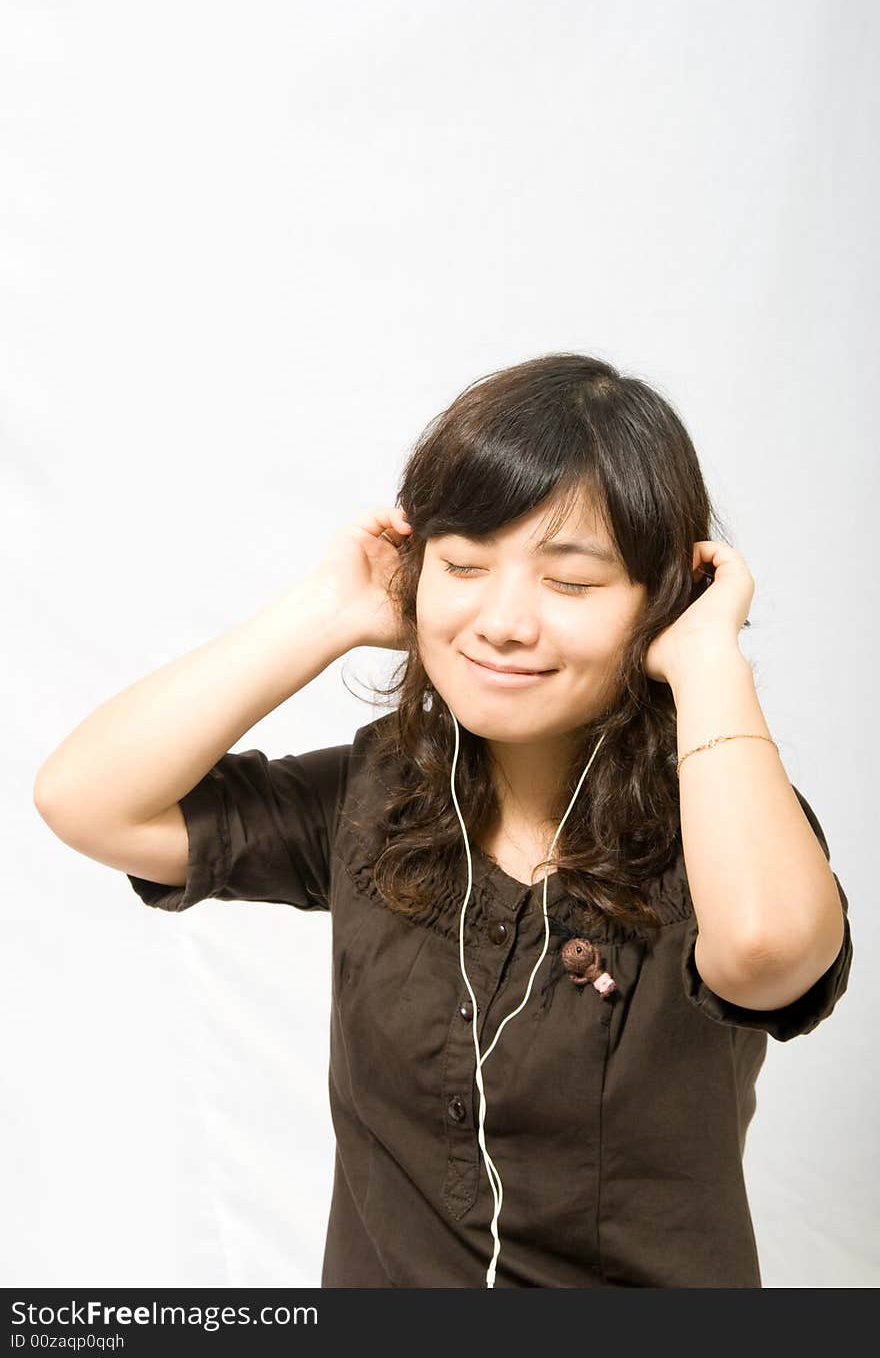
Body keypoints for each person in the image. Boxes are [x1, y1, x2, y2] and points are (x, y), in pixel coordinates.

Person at [33, 352, 852, 1288]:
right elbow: (86, 799)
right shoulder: (380, 792)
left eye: (572, 583)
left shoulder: (724, 821)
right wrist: (326, 610)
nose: (502, 621)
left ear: (659, 598)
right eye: (463, 564)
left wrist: (707, 657)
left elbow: (767, 951)